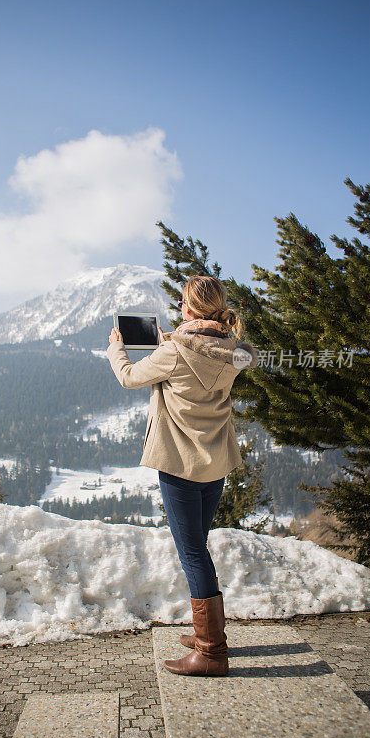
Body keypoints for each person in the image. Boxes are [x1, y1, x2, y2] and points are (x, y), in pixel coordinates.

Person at [107, 275, 258, 677]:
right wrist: (175, 337)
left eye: (181, 304)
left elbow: (128, 376)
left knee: (192, 553)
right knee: (198, 547)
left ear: (188, 308)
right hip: (216, 466)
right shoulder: (234, 354)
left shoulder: (173, 353)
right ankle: (204, 632)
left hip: (179, 466)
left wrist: (116, 349)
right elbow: (204, 350)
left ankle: (211, 652)